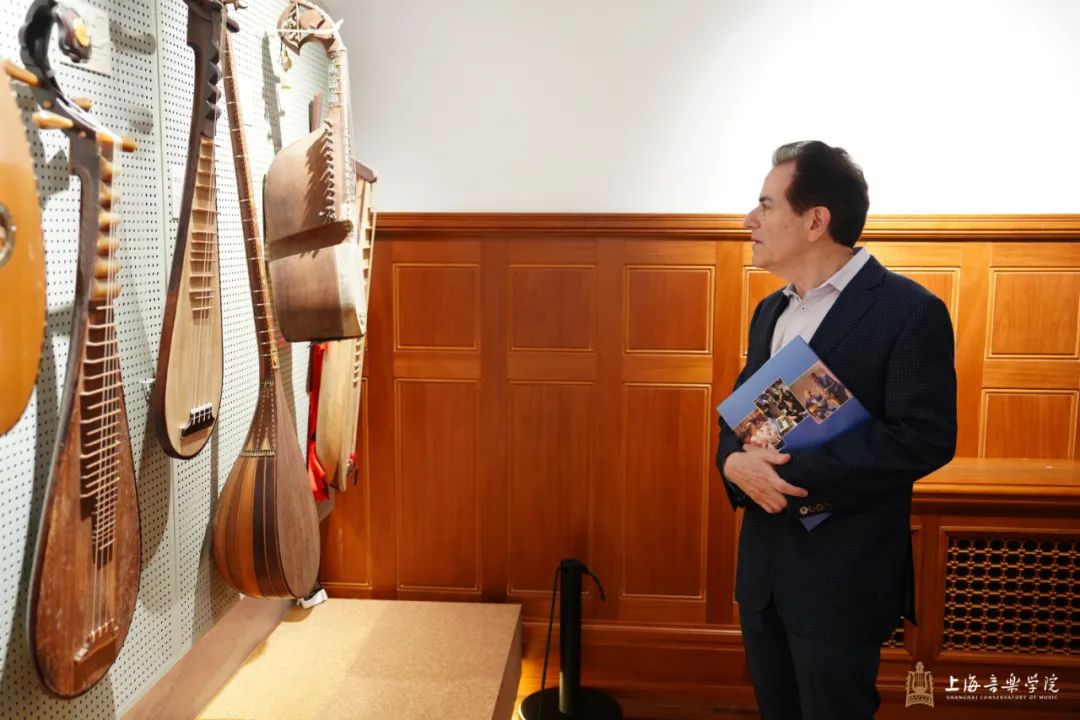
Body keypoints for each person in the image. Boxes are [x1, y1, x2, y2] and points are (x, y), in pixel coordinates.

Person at [715, 141, 957, 719]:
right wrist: (731, 462)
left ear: (815, 221)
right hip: (765, 571)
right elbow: (743, 417)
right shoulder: (770, 311)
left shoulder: (908, 310)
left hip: (842, 575)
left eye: (765, 205)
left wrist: (787, 472)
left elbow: (924, 436)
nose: (748, 220)